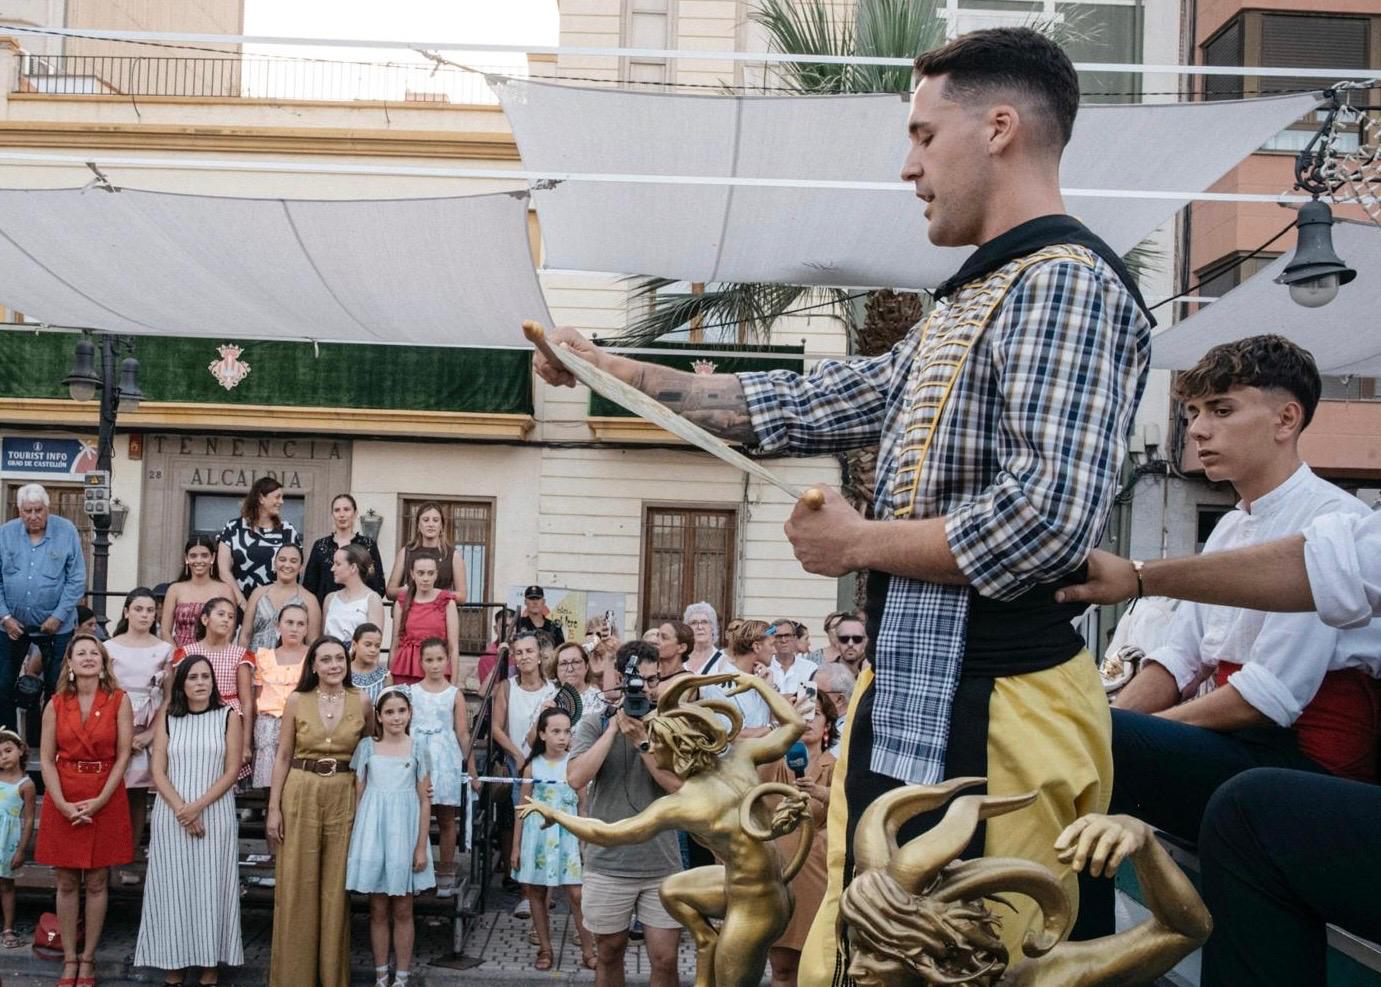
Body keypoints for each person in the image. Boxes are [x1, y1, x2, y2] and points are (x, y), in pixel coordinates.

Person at [534, 28, 1152, 980]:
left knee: (976, 957)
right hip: (923, 694)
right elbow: (820, 398)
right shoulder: (972, 297)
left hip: (1003, 710)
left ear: (997, 128)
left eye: (921, 135)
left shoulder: (1064, 284)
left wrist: (860, 541)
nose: (907, 168)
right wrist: (619, 372)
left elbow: (1045, 519)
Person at [1077, 337, 1381, 937]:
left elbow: (1268, 696)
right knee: (1078, 737)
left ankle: (1084, 951)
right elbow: (1174, 658)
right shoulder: (1230, 530)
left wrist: (1122, 733)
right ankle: (1080, 947)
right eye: (1192, 414)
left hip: (1305, 768)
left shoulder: (1333, 523)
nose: (1197, 430)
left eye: (1221, 409)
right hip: (1246, 750)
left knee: (1095, 743)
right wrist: (1094, 720)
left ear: (1285, 419)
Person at [565, 641, 684, 987]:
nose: (646, 689)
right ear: (619, 678)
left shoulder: (670, 725)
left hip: (661, 862)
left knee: (665, 959)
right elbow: (575, 777)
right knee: (609, 953)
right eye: (638, 681)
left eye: (652, 680)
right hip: (609, 862)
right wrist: (615, 728)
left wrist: (643, 742)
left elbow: (679, 787)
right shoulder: (593, 723)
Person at [266, 636, 374, 987]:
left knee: (334, 891)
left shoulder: (363, 700)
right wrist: (273, 810)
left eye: (339, 659)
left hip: (344, 794)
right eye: (325, 659)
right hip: (300, 791)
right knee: (297, 885)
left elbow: (371, 754)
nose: (333, 666)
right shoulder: (297, 700)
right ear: (312, 665)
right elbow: (282, 755)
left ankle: (331, 978)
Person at [134, 654, 244, 984]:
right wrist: (184, 809)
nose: (200, 682)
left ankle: (210, 969)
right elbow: (157, 770)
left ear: (213, 682)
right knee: (174, 890)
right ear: (182, 683)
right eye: (193, 677)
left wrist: (197, 807)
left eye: (205, 677)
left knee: (212, 890)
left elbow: (232, 770)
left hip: (215, 813)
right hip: (173, 815)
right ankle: (173, 968)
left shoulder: (228, 716)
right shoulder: (168, 717)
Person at [36, 634, 134, 987]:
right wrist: (61, 802)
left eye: (96, 652)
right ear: (70, 663)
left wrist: (101, 799)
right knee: (64, 881)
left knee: (96, 880)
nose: (89, 657)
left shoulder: (119, 700)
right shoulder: (56, 703)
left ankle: (88, 960)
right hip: (63, 792)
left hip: (105, 792)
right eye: (82, 653)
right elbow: (46, 758)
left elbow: (124, 754)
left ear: (104, 661)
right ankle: (69, 958)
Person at [346, 688, 434, 987]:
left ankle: (403, 974)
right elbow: (358, 795)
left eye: (401, 711)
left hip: (404, 831)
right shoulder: (367, 748)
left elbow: (425, 800)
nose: (396, 717)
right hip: (373, 830)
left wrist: (421, 846)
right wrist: (356, 839)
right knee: (378, 907)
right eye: (389, 712)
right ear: (379, 717)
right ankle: (381, 972)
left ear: (409, 713)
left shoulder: (418, 747)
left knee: (403, 907)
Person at [511, 707, 595, 972]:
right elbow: (522, 809)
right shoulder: (531, 766)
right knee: (537, 892)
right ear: (543, 734)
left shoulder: (575, 764)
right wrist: (515, 846)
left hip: (568, 835)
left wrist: (585, 843)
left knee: (577, 894)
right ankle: (545, 949)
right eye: (556, 731)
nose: (562, 737)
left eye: (567, 731)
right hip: (538, 837)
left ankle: (588, 950)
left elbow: (583, 807)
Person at [0, 483, 86, 735]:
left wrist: (58, 616)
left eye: (38, 510)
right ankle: (8, 742)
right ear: (19, 511)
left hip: (56, 627)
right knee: (3, 684)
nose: (33, 516)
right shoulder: (4, 534)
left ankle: (52, 742)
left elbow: (77, 578)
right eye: (28, 511)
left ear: (47, 509)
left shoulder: (66, 531)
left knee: (56, 687)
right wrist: (5, 617)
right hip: (11, 625)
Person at [769, 692, 837, 987]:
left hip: (821, 876)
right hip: (781, 875)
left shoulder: (837, 764)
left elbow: (857, 807)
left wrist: (824, 794)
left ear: (828, 726)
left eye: (816, 714)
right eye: (802, 714)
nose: (808, 721)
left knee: (821, 972)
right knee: (782, 970)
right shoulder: (774, 762)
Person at [104, 587, 174, 878]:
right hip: (114, 723)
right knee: (110, 791)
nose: (145, 615)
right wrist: (118, 734)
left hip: (148, 726)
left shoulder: (164, 648)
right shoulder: (109, 647)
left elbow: (169, 697)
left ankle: (129, 854)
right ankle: (107, 857)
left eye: (149, 610)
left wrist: (150, 735)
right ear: (126, 612)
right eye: (139, 609)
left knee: (136, 794)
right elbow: (104, 691)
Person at [410, 640, 477, 895]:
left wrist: (472, 770)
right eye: (429, 659)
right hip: (419, 757)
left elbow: (462, 732)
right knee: (416, 814)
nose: (435, 665)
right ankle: (417, 868)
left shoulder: (454, 694)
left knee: (446, 816)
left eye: (439, 659)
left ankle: (446, 870)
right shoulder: (412, 692)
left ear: (447, 660)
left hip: (445, 758)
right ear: (421, 662)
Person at [171, 599, 255, 778]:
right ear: (205, 619)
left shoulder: (239, 654)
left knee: (225, 776)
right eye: (221, 614)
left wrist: (246, 743)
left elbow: (247, 702)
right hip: (193, 719)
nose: (226, 620)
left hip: (229, 723)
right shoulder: (187, 653)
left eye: (231, 617)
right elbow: (176, 694)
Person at [250, 603, 310, 789]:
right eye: (289, 622)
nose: (294, 628)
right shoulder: (264, 657)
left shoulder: (312, 657)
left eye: (300, 624)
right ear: (278, 626)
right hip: (269, 725)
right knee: (271, 785)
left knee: (296, 782)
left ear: (307, 628)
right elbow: (257, 696)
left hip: (301, 724)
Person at [217, 477, 301, 608]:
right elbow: (223, 570)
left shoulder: (287, 531)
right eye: (277, 497)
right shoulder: (233, 527)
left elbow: (295, 572)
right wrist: (243, 604)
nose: (282, 502)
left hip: (276, 609)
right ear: (261, 498)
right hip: (237, 606)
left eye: (282, 497)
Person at [388, 553, 459, 686]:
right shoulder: (402, 602)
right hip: (405, 671)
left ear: (436, 574)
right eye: (420, 573)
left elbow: (453, 647)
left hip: (437, 669)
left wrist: (454, 686)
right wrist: (389, 680)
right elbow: (394, 645)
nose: (425, 578)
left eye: (430, 573)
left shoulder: (446, 601)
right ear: (412, 574)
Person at [303, 493, 386, 604]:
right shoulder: (320, 546)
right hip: (325, 612)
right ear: (332, 514)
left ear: (355, 513)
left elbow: (377, 584)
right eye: (337, 510)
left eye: (346, 509)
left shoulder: (368, 545)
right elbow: (310, 585)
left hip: (359, 611)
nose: (341, 514)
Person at [160, 536, 238, 649]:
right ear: (186, 558)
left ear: (213, 557)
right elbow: (165, 631)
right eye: (193, 556)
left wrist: (217, 654)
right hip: (180, 657)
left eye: (204, 555)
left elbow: (230, 628)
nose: (199, 560)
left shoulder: (225, 590)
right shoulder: (175, 589)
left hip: (215, 656)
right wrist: (178, 656)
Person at [239, 543, 320, 651]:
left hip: (291, 664)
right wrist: (241, 664)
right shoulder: (258, 594)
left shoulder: (310, 600)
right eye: (282, 560)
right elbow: (245, 635)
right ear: (275, 563)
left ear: (301, 567)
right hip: (255, 662)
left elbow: (312, 643)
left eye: (293, 561)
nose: (287, 565)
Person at [385, 503, 466, 603]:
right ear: (418, 525)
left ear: (441, 525)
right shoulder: (406, 552)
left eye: (435, 520)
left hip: (441, 613)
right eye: (426, 520)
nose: (431, 524)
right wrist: (410, 591)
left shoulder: (453, 555)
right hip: (412, 613)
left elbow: (462, 596)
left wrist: (435, 594)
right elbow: (390, 592)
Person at [0, 728, 34, 951]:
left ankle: (8, 928)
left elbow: (30, 819)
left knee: (6, 885)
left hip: (7, 840)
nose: (3, 756)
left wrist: (22, 849)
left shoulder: (26, 785)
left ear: (21, 750)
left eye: (8, 750)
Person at [321, 545, 386, 647]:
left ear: (353, 567)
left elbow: (374, 644)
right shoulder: (330, 599)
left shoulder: (372, 599)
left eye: (338, 564)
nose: (332, 569)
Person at [554, 641, 604, 720]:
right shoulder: (547, 698)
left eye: (576, 662)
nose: (570, 669)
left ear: (586, 666)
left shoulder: (600, 699)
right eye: (563, 664)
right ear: (556, 669)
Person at [767, 619, 817, 696]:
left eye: (787, 635)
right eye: (778, 636)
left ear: (795, 638)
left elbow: (809, 700)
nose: (783, 640)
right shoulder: (765, 667)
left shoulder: (810, 668)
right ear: (771, 639)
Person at [350, 623, 391, 705]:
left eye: (377, 646)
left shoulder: (385, 676)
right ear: (354, 645)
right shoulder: (343, 672)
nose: (373, 650)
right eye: (368, 645)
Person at [476, 607, 515, 690]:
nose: (510, 630)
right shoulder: (488, 656)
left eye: (513, 626)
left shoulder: (524, 652)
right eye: (505, 626)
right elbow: (487, 692)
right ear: (495, 629)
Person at [682, 602, 723, 675]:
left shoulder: (723, 661)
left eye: (704, 622)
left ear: (712, 627)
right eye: (694, 623)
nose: (699, 627)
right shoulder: (679, 658)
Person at [656, 619, 694, 684]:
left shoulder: (687, 682)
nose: (656, 641)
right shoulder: (651, 675)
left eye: (664, 638)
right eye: (657, 636)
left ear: (682, 648)